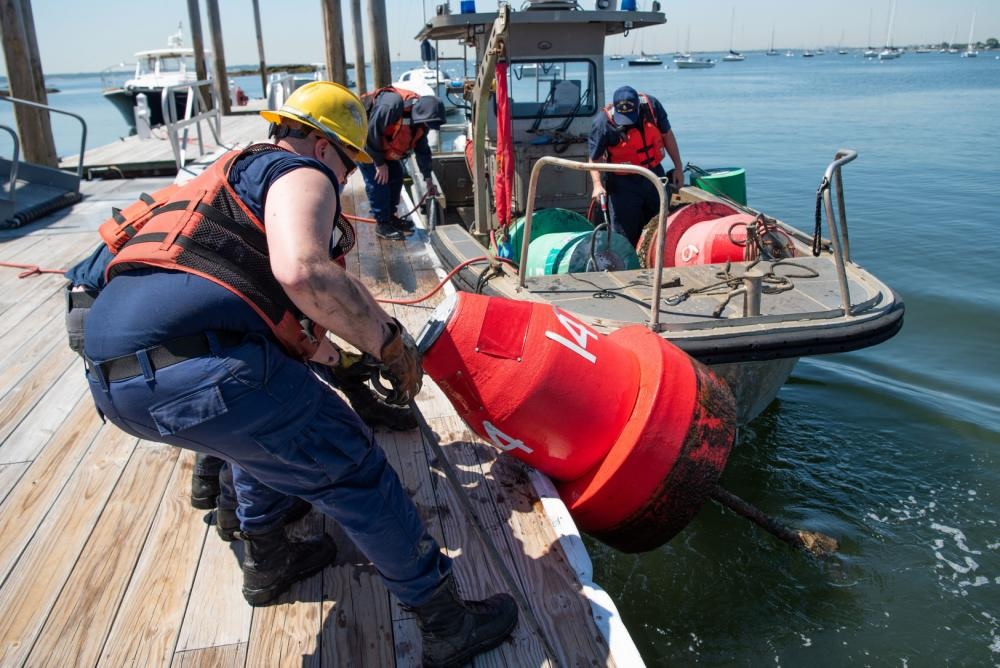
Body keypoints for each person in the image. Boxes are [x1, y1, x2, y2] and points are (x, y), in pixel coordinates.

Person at [80, 81, 516, 666]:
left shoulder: (211, 184)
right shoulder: (298, 170)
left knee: (263, 424)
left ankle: (267, 559)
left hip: (113, 383)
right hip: (205, 371)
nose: (345, 180)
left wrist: (347, 363)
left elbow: (87, 278)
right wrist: (388, 343)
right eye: (347, 162)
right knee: (353, 469)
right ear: (318, 144)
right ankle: (445, 622)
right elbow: (304, 271)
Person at [588, 85, 684, 246]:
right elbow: (594, 159)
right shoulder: (603, 123)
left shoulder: (652, 107)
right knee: (624, 234)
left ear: (638, 107)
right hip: (622, 182)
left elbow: (667, 135)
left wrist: (678, 167)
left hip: (654, 175)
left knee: (659, 226)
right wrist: (597, 185)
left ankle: (656, 263)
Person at [359, 87, 445, 241]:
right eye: (428, 123)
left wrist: (428, 179)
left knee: (397, 177)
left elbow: (422, 150)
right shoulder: (392, 105)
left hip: (385, 150)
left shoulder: (421, 124)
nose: (428, 127)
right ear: (421, 114)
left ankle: (390, 217)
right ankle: (382, 224)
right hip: (367, 146)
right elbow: (371, 132)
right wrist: (379, 164)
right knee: (379, 182)